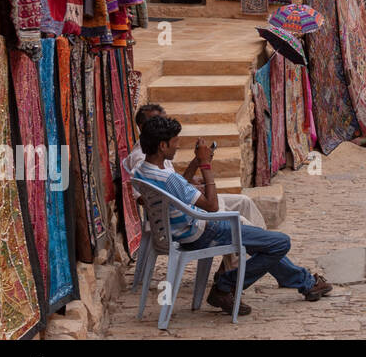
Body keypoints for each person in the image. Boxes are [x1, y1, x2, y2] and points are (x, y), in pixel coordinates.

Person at [132, 115, 331, 316]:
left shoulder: (141, 172)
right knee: (280, 243)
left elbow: (178, 190)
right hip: (201, 232)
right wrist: (205, 165)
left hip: (181, 230)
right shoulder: (168, 178)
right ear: (163, 146)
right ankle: (224, 286)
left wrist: (198, 161)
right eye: (175, 143)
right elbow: (211, 205)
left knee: (262, 241)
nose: (177, 147)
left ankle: (304, 281)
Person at [125, 104, 266, 230]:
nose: (163, 125)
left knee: (244, 202)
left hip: (184, 212)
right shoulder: (142, 158)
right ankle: (257, 249)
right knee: (245, 226)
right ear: (143, 127)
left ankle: (248, 253)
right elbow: (211, 206)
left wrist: (196, 163)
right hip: (187, 222)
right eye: (157, 122)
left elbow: (169, 185)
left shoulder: (153, 158)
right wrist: (205, 165)